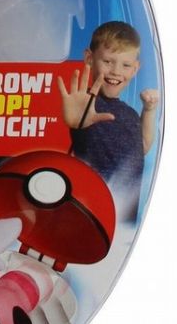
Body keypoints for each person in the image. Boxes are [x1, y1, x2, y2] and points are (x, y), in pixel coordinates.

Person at [57, 21, 159, 221]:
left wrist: (149, 110)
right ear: (89, 59)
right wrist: (78, 122)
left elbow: (143, 147)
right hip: (88, 214)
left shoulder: (130, 113)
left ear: (135, 69)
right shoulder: (87, 105)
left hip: (124, 221)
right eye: (108, 61)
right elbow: (79, 126)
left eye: (126, 65)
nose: (116, 71)